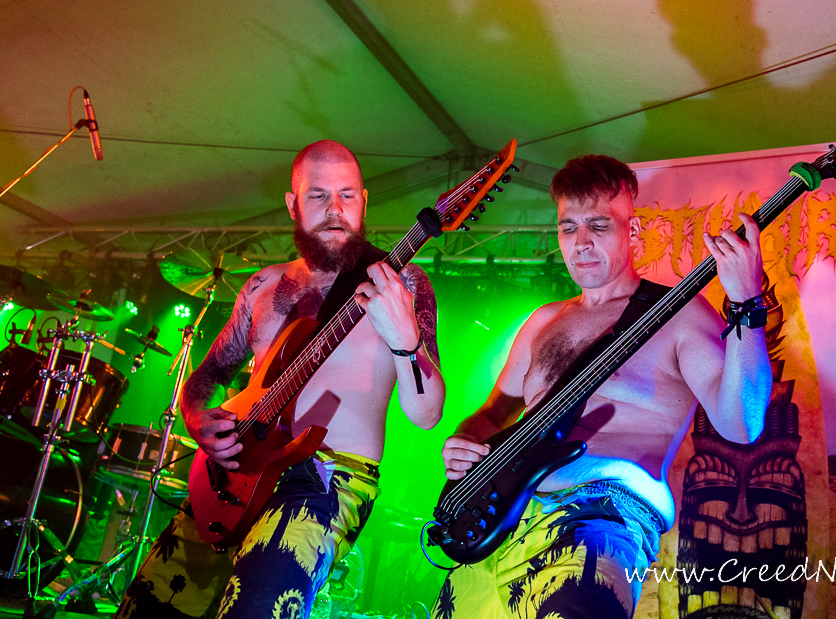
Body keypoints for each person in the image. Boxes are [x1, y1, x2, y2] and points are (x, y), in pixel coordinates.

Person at [116, 140, 445, 619]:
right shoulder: (262, 285)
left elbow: (427, 414)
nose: (335, 210)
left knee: (257, 607)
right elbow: (209, 375)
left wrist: (405, 339)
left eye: (347, 195)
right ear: (293, 203)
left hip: (327, 478)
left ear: (364, 201)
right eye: (318, 196)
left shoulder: (401, 283)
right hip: (233, 475)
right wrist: (197, 419)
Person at [432, 154, 771, 619]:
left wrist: (747, 303)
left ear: (633, 231)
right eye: (568, 228)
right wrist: (465, 441)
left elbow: (742, 423)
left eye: (599, 225)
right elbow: (493, 414)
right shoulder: (542, 321)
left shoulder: (680, 315)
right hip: (505, 521)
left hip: (602, 520)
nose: (582, 242)